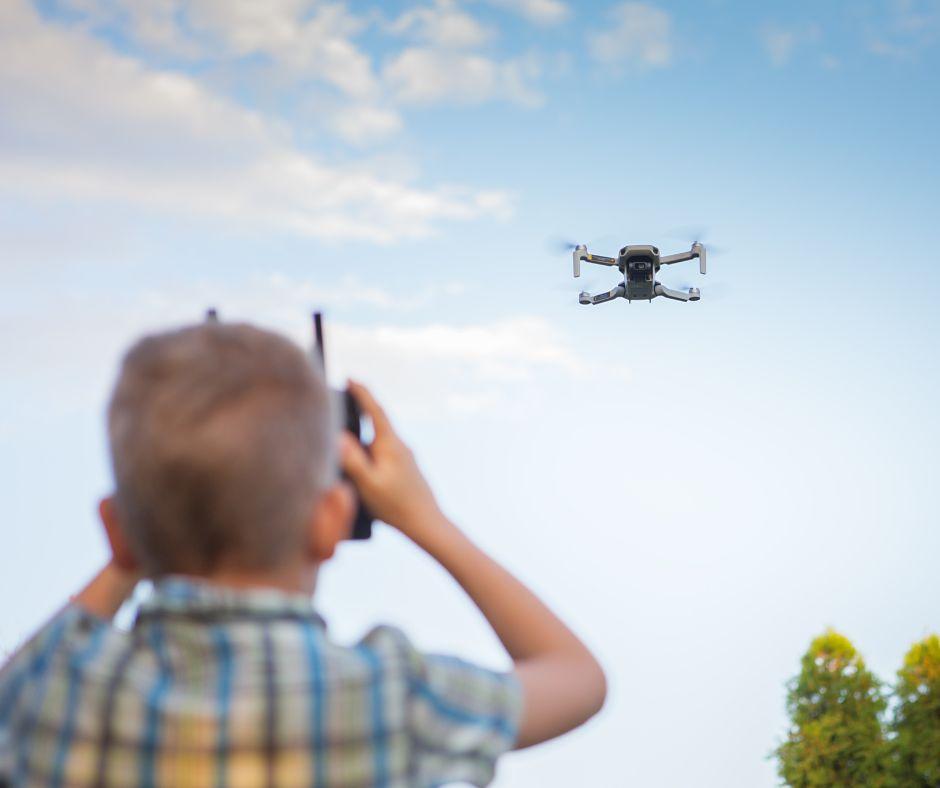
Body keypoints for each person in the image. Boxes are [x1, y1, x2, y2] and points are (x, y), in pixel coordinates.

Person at [0, 322, 606, 786]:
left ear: (116, 530)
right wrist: (426, 521)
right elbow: (577, 679)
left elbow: (32, 665)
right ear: (333, 521)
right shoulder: (389, 698)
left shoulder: (52, 689)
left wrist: (139, 537)